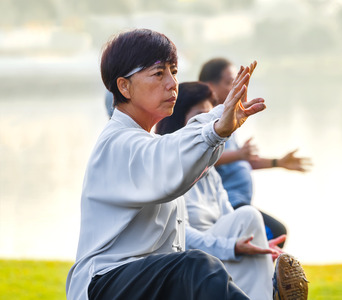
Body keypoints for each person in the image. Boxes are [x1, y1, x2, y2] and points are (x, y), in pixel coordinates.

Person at [66, 28, 267, 300]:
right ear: (124, 86)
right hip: (104, 283)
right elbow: (168, 156)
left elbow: (172, 152)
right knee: (195, 267)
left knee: (199, 267)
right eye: (159, 73)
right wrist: (217, 126)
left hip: (144, 280)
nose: (172, 83)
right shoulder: (117, 143)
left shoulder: (143, 142)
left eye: (174, 71)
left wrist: (219, 123)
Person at [156, 81, 291, 299]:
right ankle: (269, 291)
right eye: (200, 116)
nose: (210, 124)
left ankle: (266, 289)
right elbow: (179, 235)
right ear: (179, 121)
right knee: (248, 214)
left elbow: (230, 215)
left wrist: (254, 244)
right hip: (189, 260)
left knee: (248, 221)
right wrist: (232, 246)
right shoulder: (167, 166)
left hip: (217, 255)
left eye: (212, 117)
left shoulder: (209, 171)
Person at [199, 58, 313, 247]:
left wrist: (278, 162)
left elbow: (242, 161)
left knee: (269, 242)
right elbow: (202, 157)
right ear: (210, 86)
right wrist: (239, 155)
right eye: (230, 83)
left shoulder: (227, 120)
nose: (237, 89)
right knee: (276, 233)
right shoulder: (206, 121)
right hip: (228, 205)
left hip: (241, 203)